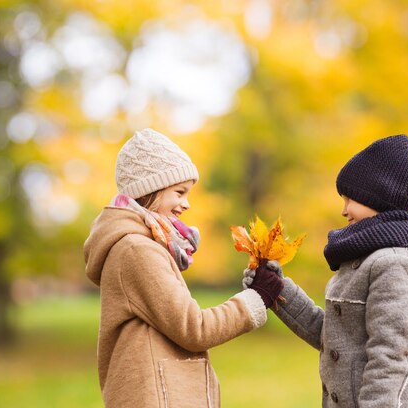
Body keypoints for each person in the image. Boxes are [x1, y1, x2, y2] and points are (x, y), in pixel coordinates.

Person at [84, 128, 283, 407]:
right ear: (150, 190)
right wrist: (256, 299)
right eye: (179, 192)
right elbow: (194, 328)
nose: (186, 204)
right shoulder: (137, 250)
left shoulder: (142, 245)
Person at [245, 134, 408, 407]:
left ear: (380, 197)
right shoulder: (360, 262)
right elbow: (333, 337)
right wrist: (278, 290)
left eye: (351, 198)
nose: (344, 210)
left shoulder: (395, 265)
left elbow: (389, 355)